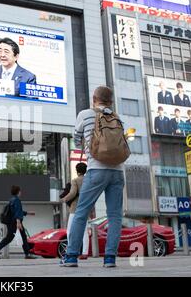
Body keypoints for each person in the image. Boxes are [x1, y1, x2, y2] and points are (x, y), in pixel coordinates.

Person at [62, 86, 125, 268]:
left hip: (96, 169)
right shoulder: (117, 118)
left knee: (81, 213)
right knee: (115, 216)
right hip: (117, 172)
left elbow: (77, 139)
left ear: (94, 99)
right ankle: (110, 259)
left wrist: (86, 144)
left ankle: (72, 256)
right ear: (110, 102)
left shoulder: (85, 114)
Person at [0, 185, 36, 259]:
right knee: (11, 238)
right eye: (20, 190)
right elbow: (17, 212)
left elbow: (16, 211)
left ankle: (27, 254)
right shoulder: (17, 200)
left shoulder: (11, 200)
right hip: (15, 222)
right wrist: (18, 222)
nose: (21, 192)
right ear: (18, 191)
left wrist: (28, 213)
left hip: (12, 222)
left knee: (21, 236)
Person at [61, 163, 89, 259]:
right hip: (86, 208)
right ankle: (85, 252)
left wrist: (64, 199)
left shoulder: (75, 180)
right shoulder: (89, 180)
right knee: (84, 231)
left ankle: (71, 250)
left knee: (70, 230)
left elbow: (72, 193)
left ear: (77, 171)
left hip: (75, 208)